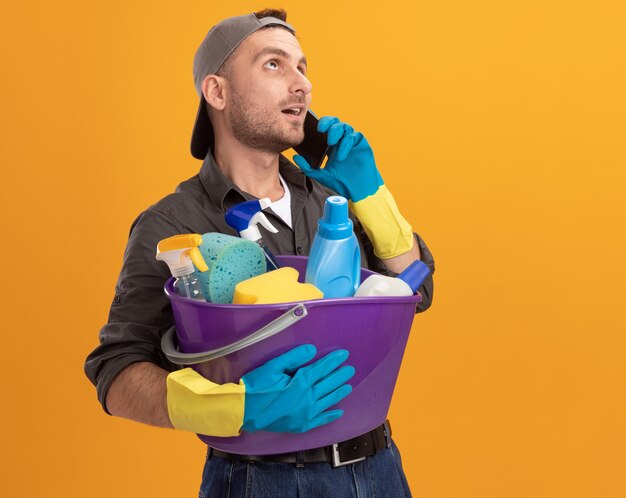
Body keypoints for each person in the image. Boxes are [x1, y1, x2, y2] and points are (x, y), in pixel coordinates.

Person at [84, 9, 435, 497]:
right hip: (256, 479)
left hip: (376, 470)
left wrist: (372, 195)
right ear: (218, 92)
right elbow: (116, 370)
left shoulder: (330, 195)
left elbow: (415, 289)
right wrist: (233, 408)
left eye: (302, 67)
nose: (302, 85)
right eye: (274, 65)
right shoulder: (171, 225)